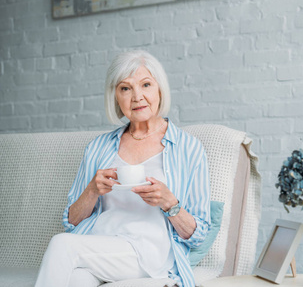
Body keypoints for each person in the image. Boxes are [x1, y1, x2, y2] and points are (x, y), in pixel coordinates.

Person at [35, 50, 211, 287]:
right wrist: (92, 191)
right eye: (125, 88)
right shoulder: (98, 148)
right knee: (76, 279)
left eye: (146, 84)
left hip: (147, 252)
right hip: (98, 245)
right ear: (116, 97)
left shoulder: (188, 148)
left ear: (159, 90)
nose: (137, 96)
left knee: (61, 244)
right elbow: (72, 222)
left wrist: (170, 203)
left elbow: (199, 235)